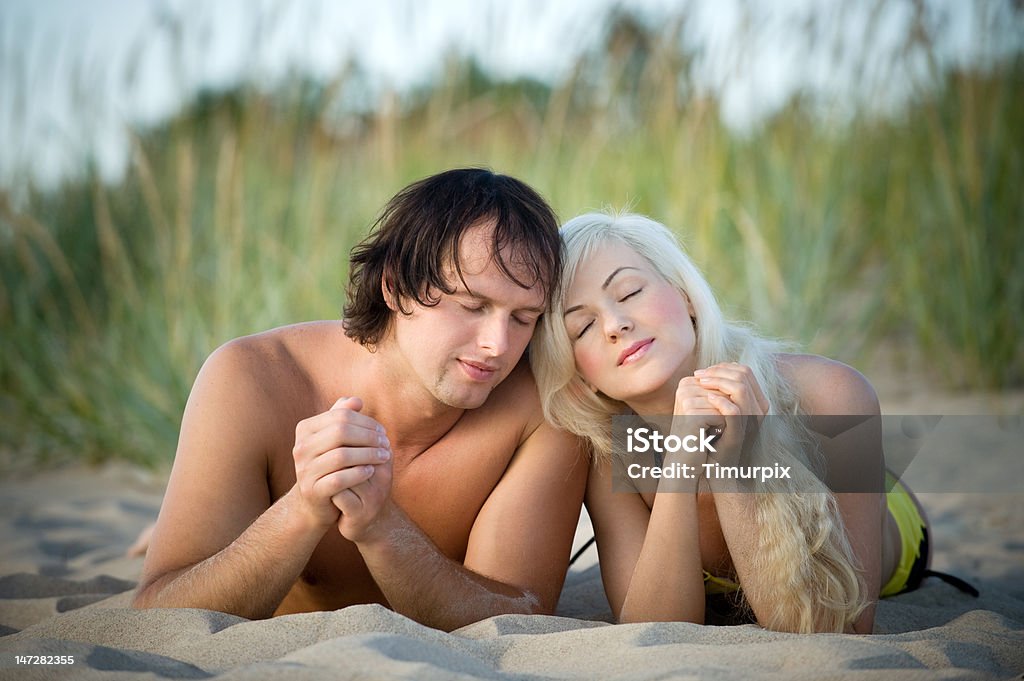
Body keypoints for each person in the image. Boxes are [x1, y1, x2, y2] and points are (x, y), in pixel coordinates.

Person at [132, 168, 588, 631]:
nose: (498, 345)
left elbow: (526, 615)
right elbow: (158, 614)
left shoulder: (548, 407)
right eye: (472, 306)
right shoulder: (252, 379)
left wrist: (381, 528)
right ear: (394, 285)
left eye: (524, 318)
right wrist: (302, 510)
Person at [530, 211, 942, 634]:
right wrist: (681, 463)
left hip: (887, 513)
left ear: (685, 295)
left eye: (630, 291)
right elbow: (656, 627)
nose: (616, 324)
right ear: (580, 378)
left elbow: (843, 630)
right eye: (582, 326)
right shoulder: (609, 450)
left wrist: (734, 461)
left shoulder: (831, 394)